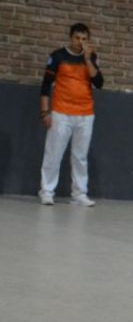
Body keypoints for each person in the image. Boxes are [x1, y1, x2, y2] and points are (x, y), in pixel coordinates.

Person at [39, 23, 104, 206]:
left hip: (86, 113)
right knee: (54, 153)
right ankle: (47, 191)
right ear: (70, 37)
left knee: (80, 156)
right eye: (77, 38)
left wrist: (88, 59)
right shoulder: (58, 56)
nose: (80, 42)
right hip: (61, 112)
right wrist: (45, 112)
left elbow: (99, 83)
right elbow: (45, 87)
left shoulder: (91, 57)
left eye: (84, 39)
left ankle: (79, 194)